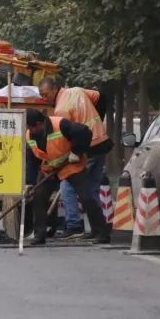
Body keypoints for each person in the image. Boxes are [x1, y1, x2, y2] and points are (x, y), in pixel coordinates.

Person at [39, 77, 112, 240]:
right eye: (41, 96)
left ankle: (73, 225)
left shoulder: (60, 111)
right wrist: (98, 120)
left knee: (67, 184)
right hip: (101, 141)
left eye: (46, 94)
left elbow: (67, 139)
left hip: (88, 146)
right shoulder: (77, 90)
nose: (45, 98)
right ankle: (98, 228)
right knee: (91, 188)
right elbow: (101, 97)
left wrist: (67, 157)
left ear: (55, 89)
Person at [24, 109, 108, 245]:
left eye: (31, 127)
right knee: (39, 197)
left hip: (70, 165)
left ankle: (101, 233)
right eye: (28, 128)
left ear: (39, 123)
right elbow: (31, 159)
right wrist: (29, 182)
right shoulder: (30, 135)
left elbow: (85, 132)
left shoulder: (61, 124)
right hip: (49, 168)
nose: (30, 130)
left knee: (86, 197)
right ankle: (39, 235)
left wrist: (76, 151)